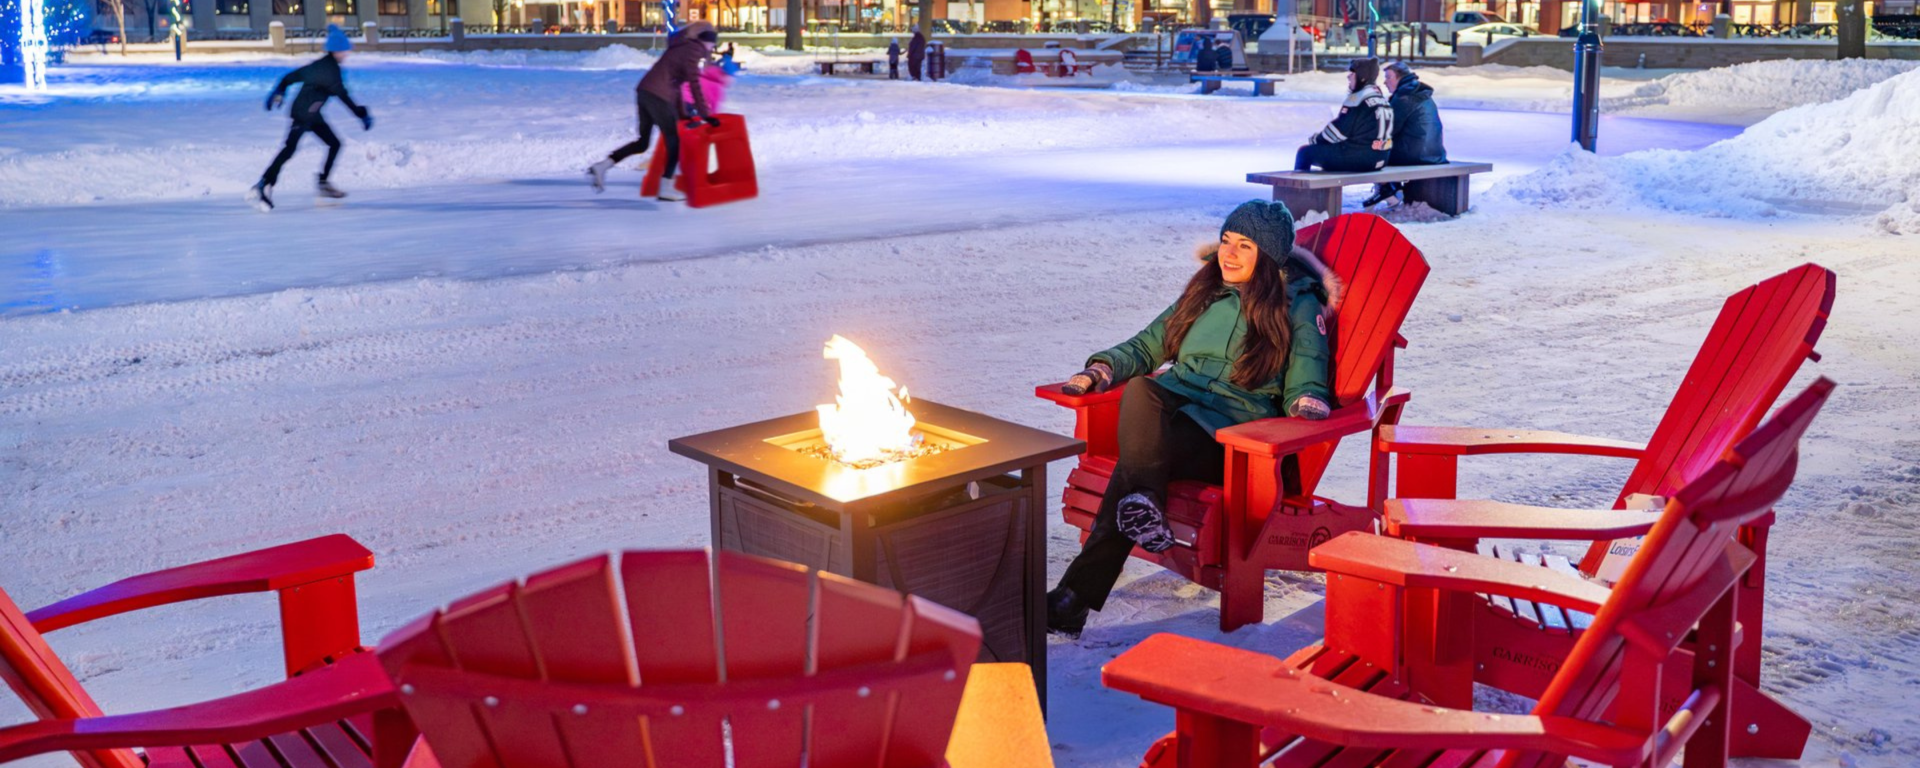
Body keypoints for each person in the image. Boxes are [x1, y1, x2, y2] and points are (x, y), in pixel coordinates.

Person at [1045, 200, 1341, 637]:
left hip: (1232, 442)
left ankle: (1073, 598)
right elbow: (1148, 344)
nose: (1228, 253)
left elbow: (1309, 365)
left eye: (1244, 246)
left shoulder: (1296, 303)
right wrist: (1103, 368)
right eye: (1226, 240)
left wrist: (1307, 400)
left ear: (1269, 256)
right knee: (1142, 391)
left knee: (1133, 470)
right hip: (1180, 420)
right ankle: (1134, 515)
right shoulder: (1206, 291)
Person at [585, 20, 720, 203]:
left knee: (642, 143)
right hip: (658, 97)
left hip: (645, 92)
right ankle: (666, 188)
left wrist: (683, 114)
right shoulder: (694, 51)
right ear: (707, 43)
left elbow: (676, 85)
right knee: (674, 143)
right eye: (712, 45)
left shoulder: (682, 46)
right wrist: (706, 114)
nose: (712, 49)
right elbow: (694, 83)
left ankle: (602, 166)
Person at [247, 25, 372, 211]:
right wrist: (361, 114)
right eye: (344, 50)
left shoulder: (323, 66)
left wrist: (280, 90)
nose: (346, 54)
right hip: (303, 114)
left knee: (334, 143)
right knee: (289, 149)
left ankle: (323, 183)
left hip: (313, 115)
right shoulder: (328, 71)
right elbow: (343, 96)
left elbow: (290, 78)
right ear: (336, 50)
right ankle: (264, 184)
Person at [1364, 60, 1449, 207]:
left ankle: (1387, 190)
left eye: (1389, 77)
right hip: (1433, 153)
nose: (1385, 82)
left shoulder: (1404, 97)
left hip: (1415, 154)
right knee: (1380, 146)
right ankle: (1391, 188)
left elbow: (1386, 129)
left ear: (1400, 77)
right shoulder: (1416, 92)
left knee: (1369, 151)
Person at [1292, 57, 1393, 174]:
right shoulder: (1382, 99)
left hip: (1361, 158)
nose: (1348, 77)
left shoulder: (1357, 98)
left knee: (1305, 152)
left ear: (1362, 77)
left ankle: (1297, 186)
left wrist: (1316, 139)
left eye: (1353, 73)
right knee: (1330, 153)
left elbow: (1338, 132)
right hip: (1381, 157)